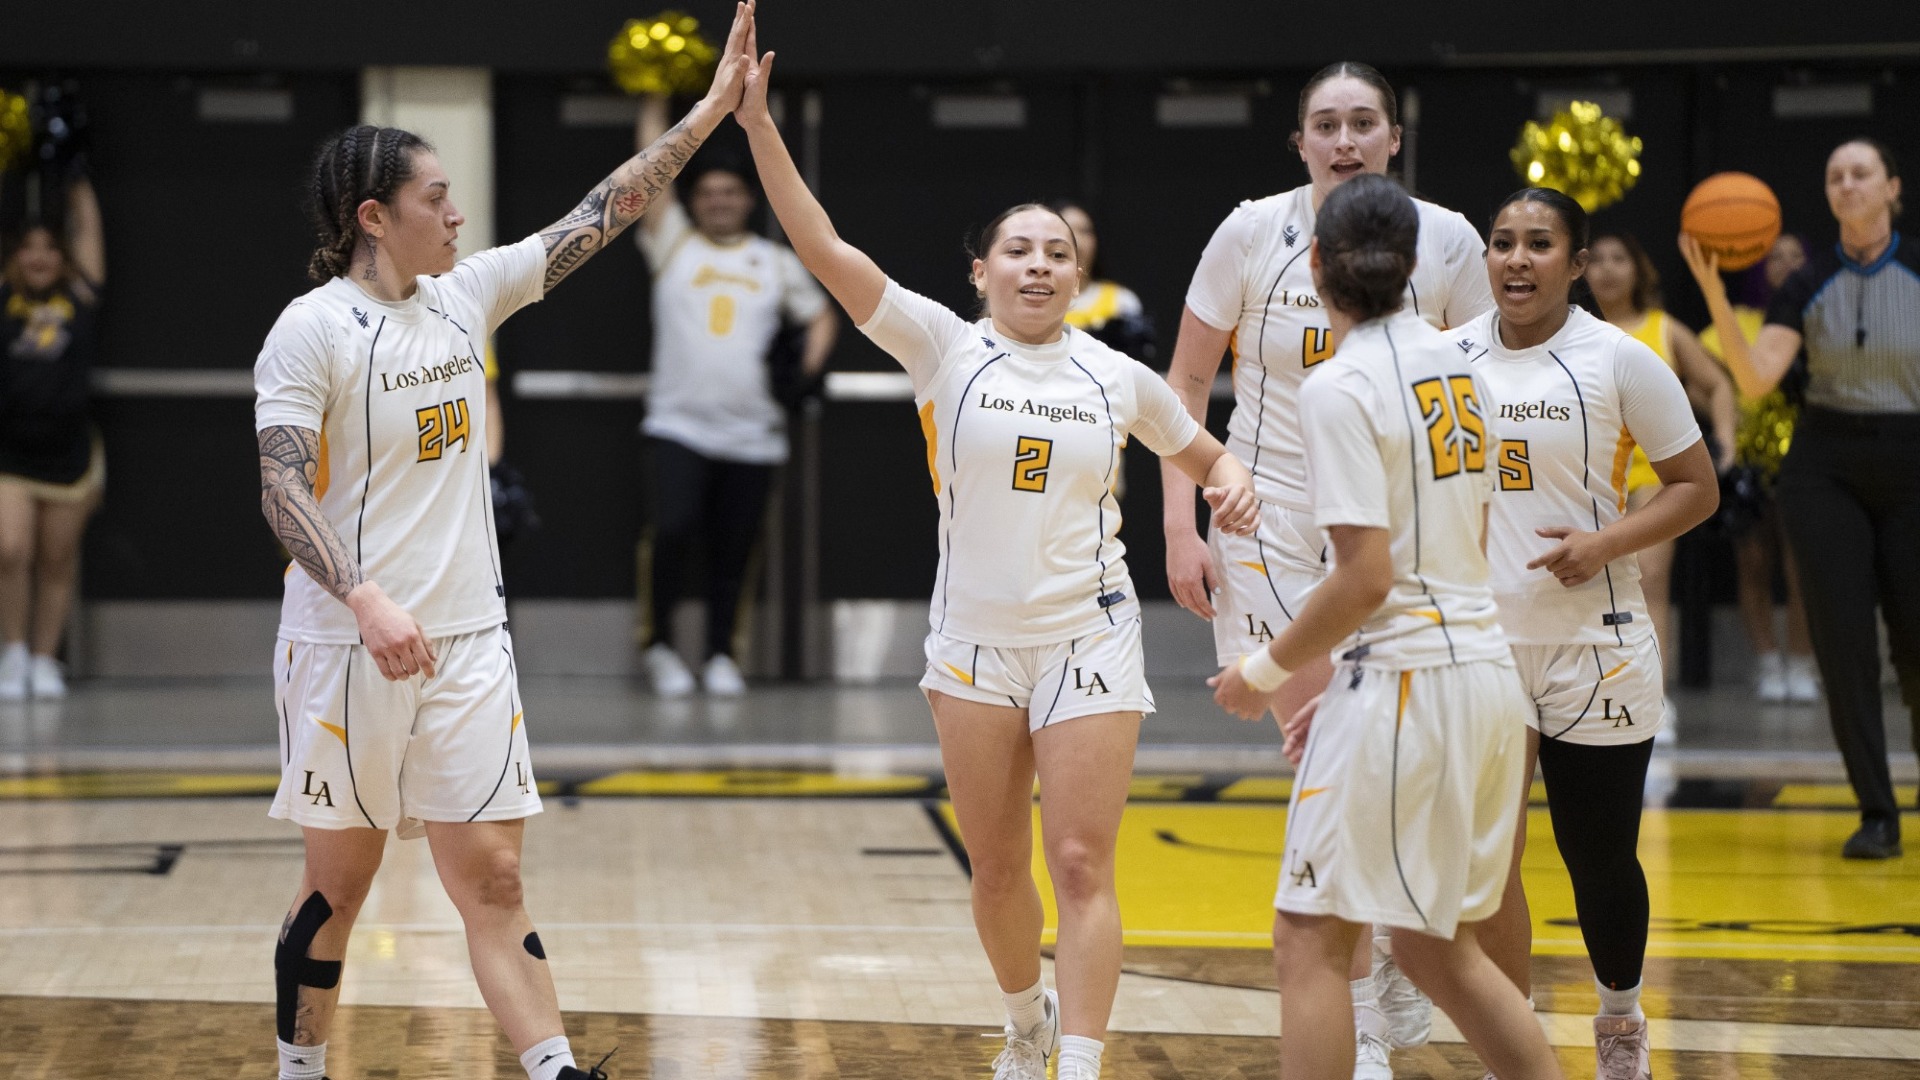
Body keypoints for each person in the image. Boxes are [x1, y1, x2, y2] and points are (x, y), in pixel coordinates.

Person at [733, 27, 1258, 1080]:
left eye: (1057, 251)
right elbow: (824, 247)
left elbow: (1207, 455)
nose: (1039, 264)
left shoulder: (1116, 376)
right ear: (981, 272)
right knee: (998, 870)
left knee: (1082, 862)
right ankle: (1025, 1022)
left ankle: (1081, 1060)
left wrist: (1230, 486)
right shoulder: (942, 346)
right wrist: (756, 124)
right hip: (973, 643)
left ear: (1078, 274)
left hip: (1088, 637)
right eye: (1019, 250)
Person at [251, 9, 756, 1080]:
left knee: (496, 882)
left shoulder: (466, 295)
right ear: (375, 216)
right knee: (337, 888)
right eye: (437, 198)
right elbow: (280, 487)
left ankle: (556, 1071)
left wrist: (710, 113)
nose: (458, 213)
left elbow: (604, 211)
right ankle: (299, 1070)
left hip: (470, 644)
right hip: (348, 647)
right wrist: (365, 599)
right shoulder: (312, 329)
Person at [1164, 59, 1495, 1074]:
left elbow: (1479, 389)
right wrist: (1179, 524)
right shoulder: (1249, 231)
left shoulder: (1448, 239)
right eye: (1326, 124)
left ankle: (1394, 954)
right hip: (1264, 523)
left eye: (1363, 123)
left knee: (1365, 777)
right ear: (1300, 142)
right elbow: (1186, 383)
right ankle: (1362, 1021)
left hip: (1390, 537)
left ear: (1394, 137)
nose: (1345, 140)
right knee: (1319, 767)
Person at [1212, 173, 1563, 1080]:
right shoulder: (1466, 365)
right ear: (1414, 266)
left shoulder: (1339, 385)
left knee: (1309, 940)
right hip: (1481, 678)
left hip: (1408, 684)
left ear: (1316, 265)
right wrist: (1349, 699)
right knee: (1434, 947)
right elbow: (1469, 539)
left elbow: (1365, 577)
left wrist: (1262, 670)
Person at [1457, 188, 1719, 1080]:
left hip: (1596, 642)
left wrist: (1604, 544)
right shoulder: (1444, 358)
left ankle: (1620, 1020)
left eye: (1540, 244)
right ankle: (1514, 1049)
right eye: (1503, 242)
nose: (1517, 258)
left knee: (1598, 857)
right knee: (1489, 863)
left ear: (1575, 265)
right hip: (1483, 645)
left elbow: (1696, 487)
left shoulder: (1619, 359)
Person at [1681, 137, 1920, 860]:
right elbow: (1756, 378)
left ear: (1892, 188)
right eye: (1835, 175)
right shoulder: (1806, 282)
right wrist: (1716, 294)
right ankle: (1877, 813)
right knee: (1844, 648)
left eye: (1861, 173)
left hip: (1910, 455)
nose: (1847, 184)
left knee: (1915, 644)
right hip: (1825, 466)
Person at [632, 92, 837, 697]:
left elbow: (822, 315)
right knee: (671, 533)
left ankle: (723, 653)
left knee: (736, 551)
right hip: (678, 426)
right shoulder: (673, 243)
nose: (719, 200)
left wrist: (804, 373)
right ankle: (659, 647)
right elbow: (650, 175)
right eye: (708, 192)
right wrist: (653, 98)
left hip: (755, 435)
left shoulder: (773, 262)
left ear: (749, 199)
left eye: (730, 192)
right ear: (694, 201)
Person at [1585, 232, 1737, 737]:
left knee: (1650, 584)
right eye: (1598, 259)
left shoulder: (1664, 328)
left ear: (1638, 269)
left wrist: (1726, 440)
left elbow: (1717, 383)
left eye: (1619, 258)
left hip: (1652, 477)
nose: (1608, 268)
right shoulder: (1572, 331)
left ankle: (1655, 697)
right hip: (1588, 481)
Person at [1698, 235, 1819, 702]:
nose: (1786, 263)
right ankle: (1768, 662)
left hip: (1805, 457)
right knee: (1753, 562)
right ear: (1758, 267)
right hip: (1748, 460)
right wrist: (1726, 416)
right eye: (1775, 256)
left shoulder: (1818, 317)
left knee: (1802, 566)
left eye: (1796, 255)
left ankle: (1802, 663)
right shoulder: (1736, 322)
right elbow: (1699, 381)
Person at [0, 176, 106, 702]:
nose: (39, 257)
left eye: (49, 248)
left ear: (63, 257)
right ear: (14, 256)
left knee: (57, 560)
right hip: (9, 452)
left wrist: (76, 178)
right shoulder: (3, 296)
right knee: (10, 550)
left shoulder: (79, 294)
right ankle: (13, 653)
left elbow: (87, 233)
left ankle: (45, 659)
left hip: (68, 454)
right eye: (28, 247)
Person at [1051, 200, 1156, 361]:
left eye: (1085, 231)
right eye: (1068, 231)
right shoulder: (1037, 301)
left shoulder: (1122, 301)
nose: (1078, 240)